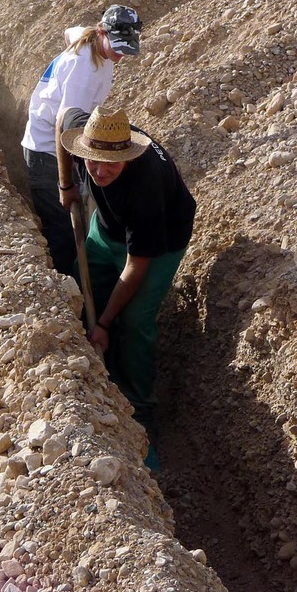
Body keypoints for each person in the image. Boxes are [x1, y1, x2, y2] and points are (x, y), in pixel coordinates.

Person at [57, 106, 196, 468]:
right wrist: (66, 184)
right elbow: (62, 120)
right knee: (79, 285)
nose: (100, 171)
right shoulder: (90, 133)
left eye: (111, 165)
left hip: (159, 245)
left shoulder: (146, 186)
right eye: (92, 162)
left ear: (128, 157)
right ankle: (95, 368)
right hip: (107, 228)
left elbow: (136, 267)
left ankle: (139, 410)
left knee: (134, 322)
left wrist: (104, 323)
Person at [21, 5, 142, 275]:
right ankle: (68, 289)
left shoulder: (88, 39)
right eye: (117, 47)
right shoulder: (84, 72)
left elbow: (69, 33)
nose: (120, 56)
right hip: (48, 151)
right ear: (102, 32)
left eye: (126, 49)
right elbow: (64, 125)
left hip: (56, 143)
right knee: (63, 232)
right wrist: (66, 184)